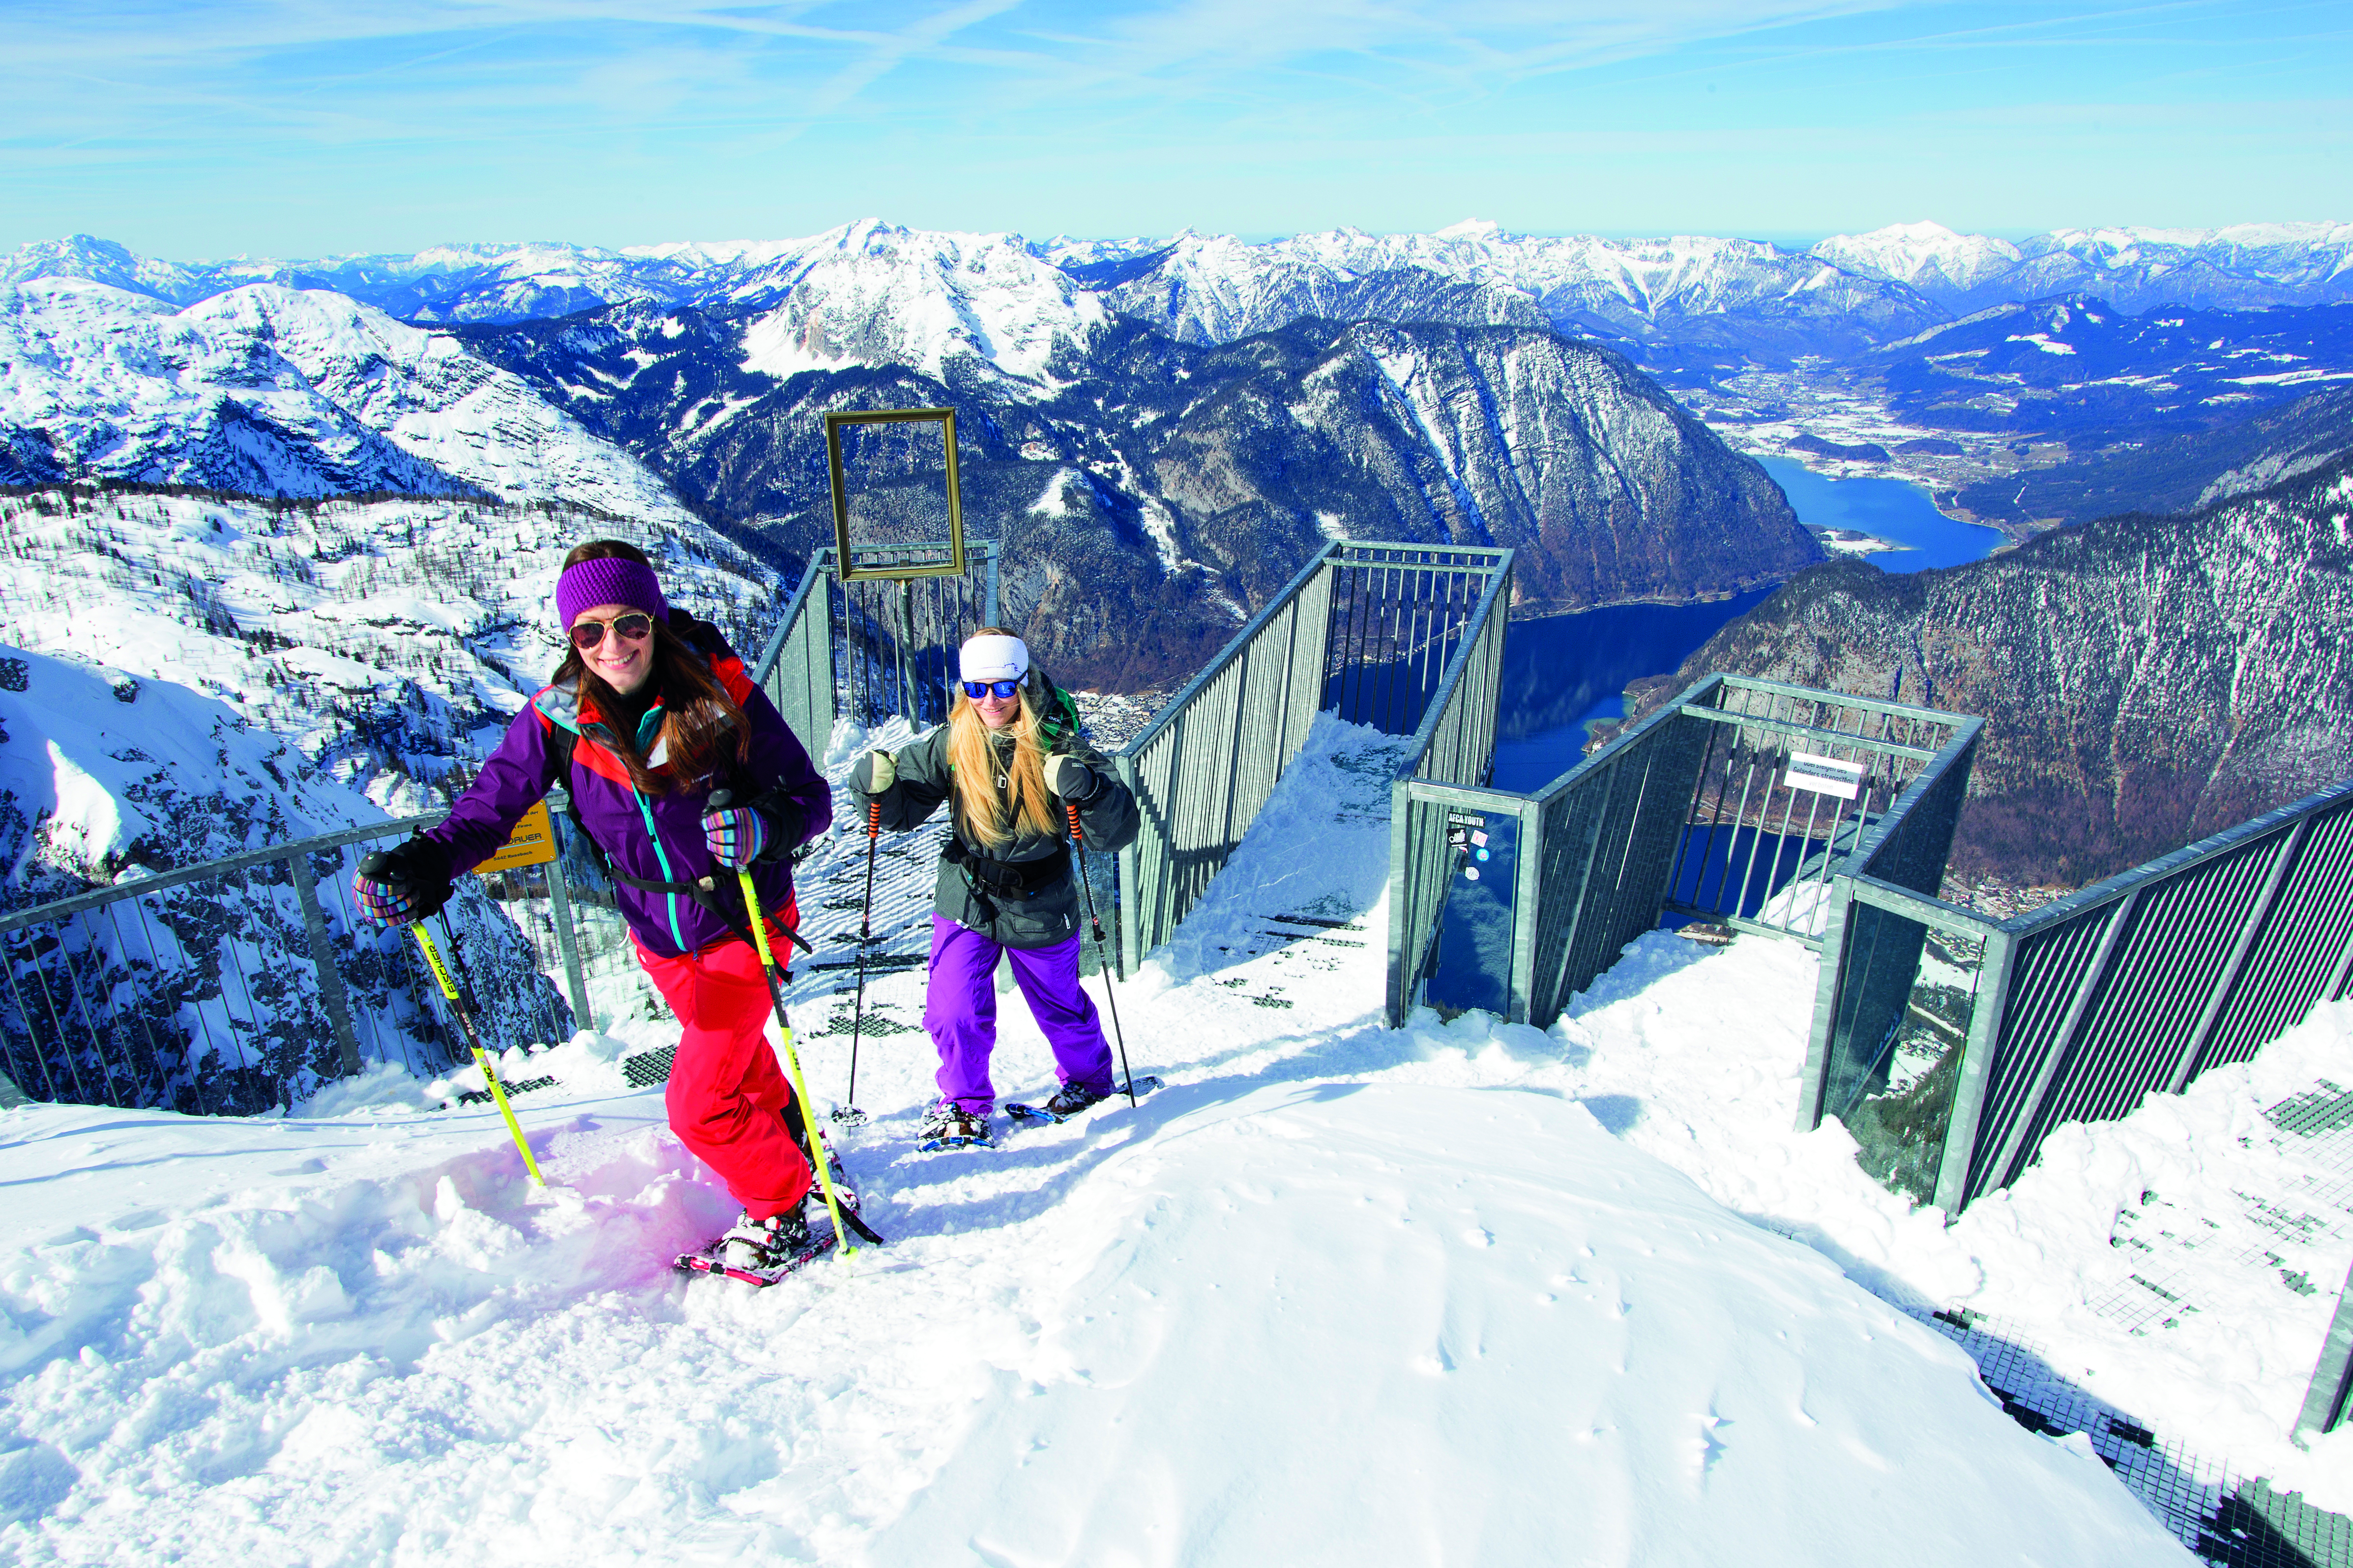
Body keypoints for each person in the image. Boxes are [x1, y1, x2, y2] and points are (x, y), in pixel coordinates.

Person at [353, 541, 832, 1270]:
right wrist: (427, 861)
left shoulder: (718, 692)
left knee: (699, 1103)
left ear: (657, 619)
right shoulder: (558, 719)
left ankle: (785, 1204)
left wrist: (762, 827)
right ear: (571, 639)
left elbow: (810, 798)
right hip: (659, 936)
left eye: (631, 622)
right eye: (590, 630)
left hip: (744, 924)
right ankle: (796, 1142)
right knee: (736, 1061)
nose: (614, 644)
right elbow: (490, 809)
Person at [852, 627, 1138, 1149]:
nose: (990, 701)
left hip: (1040, 900)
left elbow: (1117, 831)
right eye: (977, 688)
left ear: (1023, 685)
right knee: (952, 1008)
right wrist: (876, 788)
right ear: (964, 690)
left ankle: (1092, 1081)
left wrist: (1091, 790)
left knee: (1059, 1004)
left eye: (1004, 688)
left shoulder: (1057, 747)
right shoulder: (954, 742)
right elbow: (904, 807)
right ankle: (962, 1103)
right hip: (969, 894)